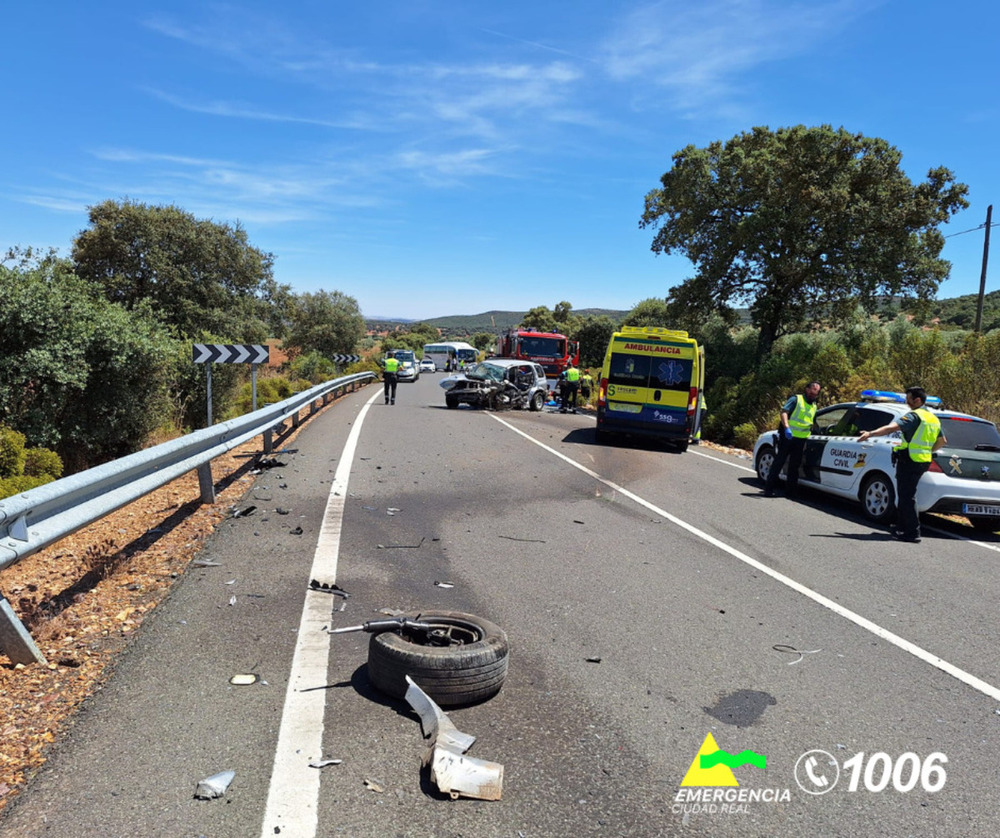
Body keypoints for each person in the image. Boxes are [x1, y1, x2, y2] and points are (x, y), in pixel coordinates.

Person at [858, 386, 946, 543]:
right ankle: (902, 527)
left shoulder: (914, 416)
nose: (907, 402)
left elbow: (893, 427)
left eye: (908, 398)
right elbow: (942, 441)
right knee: (907, 495)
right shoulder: (932, 418)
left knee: (906, 496)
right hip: (923, 461)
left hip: (910, 460)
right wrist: (927, 451)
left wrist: (870, 434)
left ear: (917, 400)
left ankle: (912, 532)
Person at [763, 380, 821, 498]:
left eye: (816, 393)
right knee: (779, 462)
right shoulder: (796, 399)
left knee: (794, 466)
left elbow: (812, 422)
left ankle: (790, 492)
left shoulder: (814, 405)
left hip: (801, 440)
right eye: (812, 392)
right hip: (788, 437)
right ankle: (768, 489)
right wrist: (787, 428)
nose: (813, 395)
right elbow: (784, 412)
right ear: (807, 389)